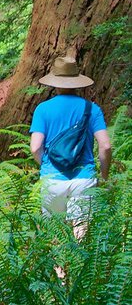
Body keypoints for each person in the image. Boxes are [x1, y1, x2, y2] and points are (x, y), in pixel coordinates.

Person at [30, 55, 112, 236]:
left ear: (54, 82)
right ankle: (78, 265)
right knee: (81, 237)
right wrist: (104, 177)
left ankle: (58, 265)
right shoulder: (92, 109)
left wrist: (46, 166)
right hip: (83, 179)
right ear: (77, 82)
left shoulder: (42, 109)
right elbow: (105, 146)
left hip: (51, 180)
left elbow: (35, 147)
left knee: (55, 236)